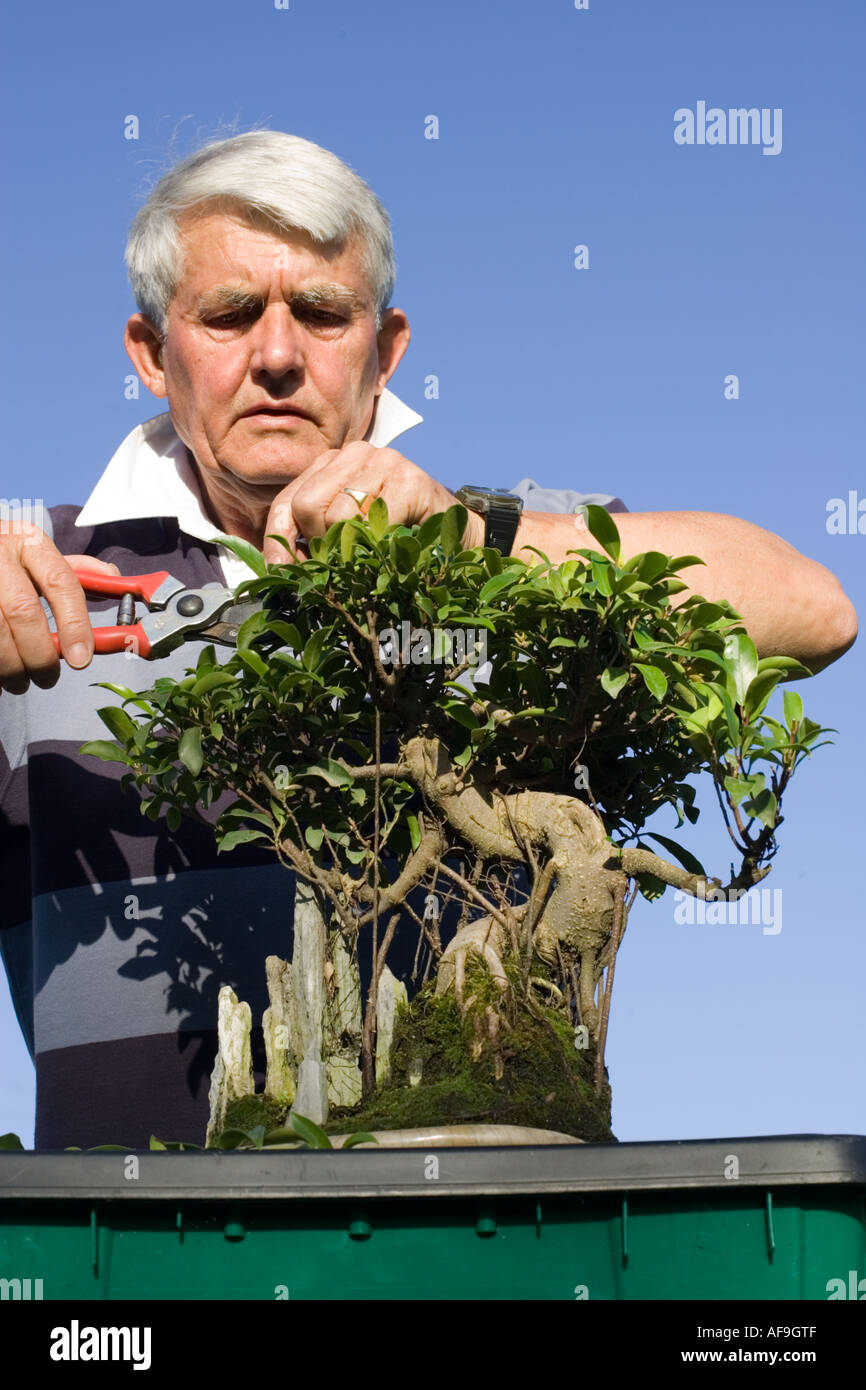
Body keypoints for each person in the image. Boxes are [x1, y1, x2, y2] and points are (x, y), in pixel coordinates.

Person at [0, 131, 856, 1149]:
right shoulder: (33, 581)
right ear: (151, 353)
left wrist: (478, 540)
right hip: (138, 1251)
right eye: (228, 315)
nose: (276, 355)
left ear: (386, 347)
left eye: (321, 312)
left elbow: (811, 609)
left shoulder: (499, 547)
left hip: (487, 1236)